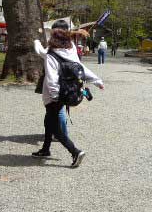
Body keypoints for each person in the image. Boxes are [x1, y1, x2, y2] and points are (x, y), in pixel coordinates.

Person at [32, 23, 104, 167]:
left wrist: (54, 97)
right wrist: (96, 80)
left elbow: (52, 79)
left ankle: (75, 152)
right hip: (68, 92)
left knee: (54, 128)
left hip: (55, 96)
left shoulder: (51, 55)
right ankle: (45, 149)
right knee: (48, 121)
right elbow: (81, 69)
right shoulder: (71, 51)